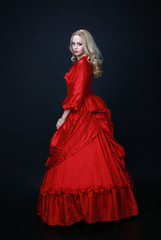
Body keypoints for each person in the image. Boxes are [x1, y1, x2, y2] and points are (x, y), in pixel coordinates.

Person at [36, 29, 139, 226]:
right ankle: (86, 209)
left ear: (87, 45)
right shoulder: (81, 63)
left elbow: (77, 95)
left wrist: (63, 117)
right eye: (73, 44)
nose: (75, 48)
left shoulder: (83, 65)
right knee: (73, 156)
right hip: (82, 110)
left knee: (84, 158)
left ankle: (89, 209)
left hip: (81, 112)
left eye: (79, 44)